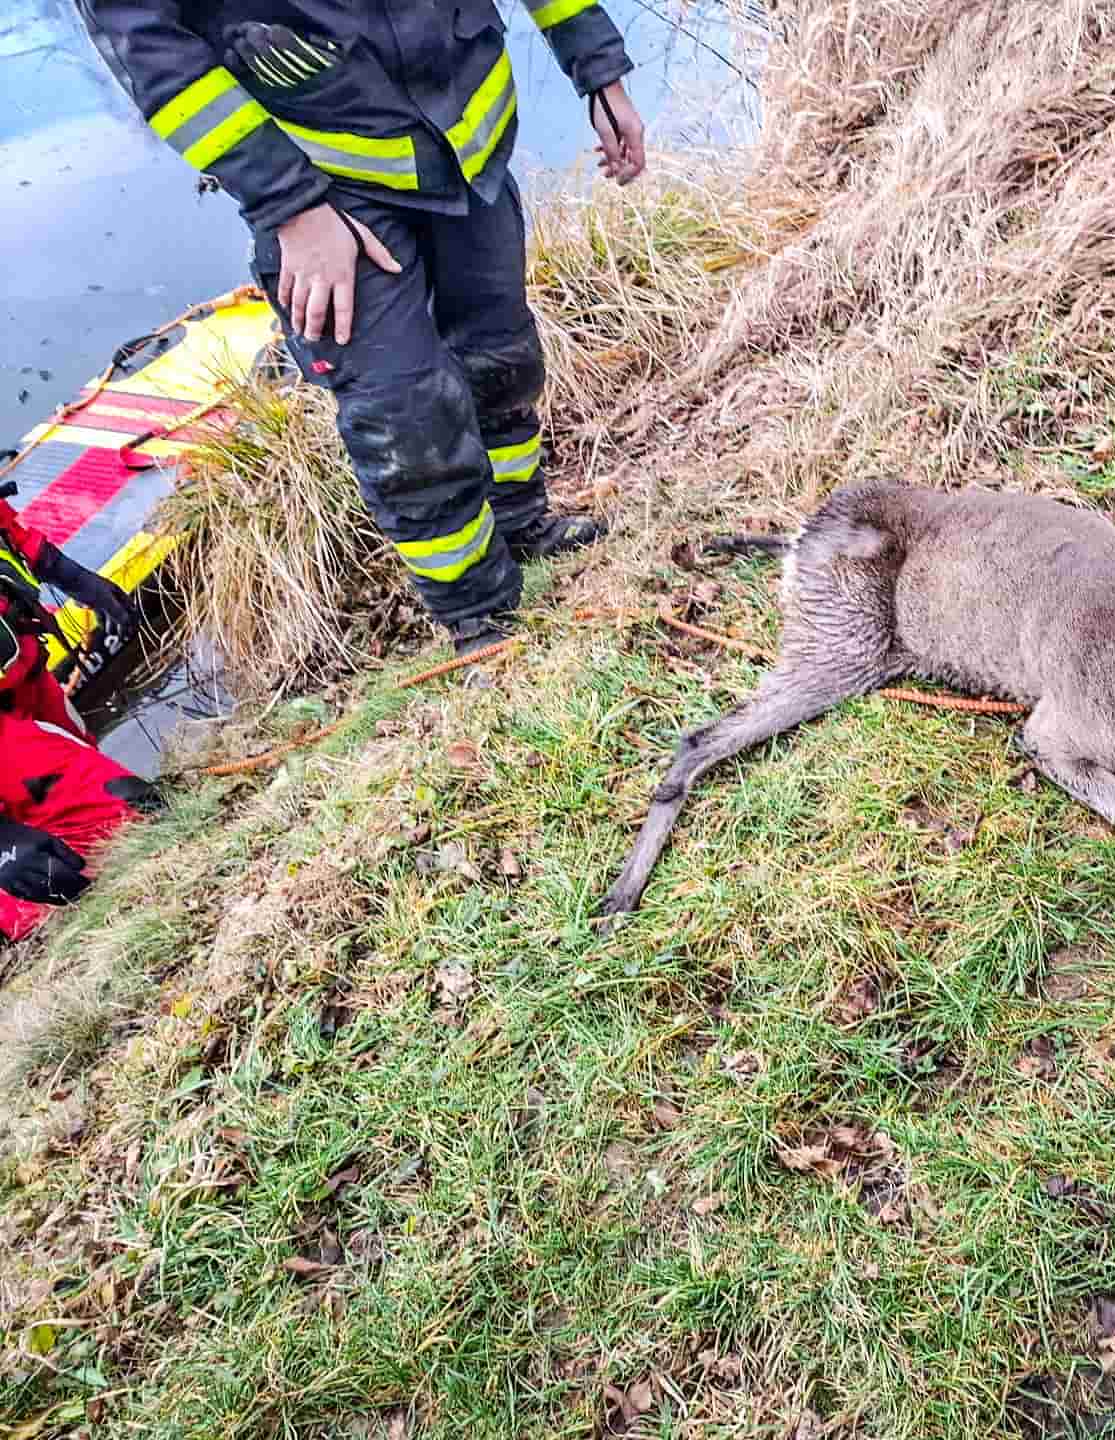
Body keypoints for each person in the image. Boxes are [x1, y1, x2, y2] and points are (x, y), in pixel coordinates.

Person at [78, 2, 650, 654]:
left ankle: (521, 524)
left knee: (502, 357)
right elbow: (147, 43)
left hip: (470, 134)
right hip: (325, 183)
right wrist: (291, 204)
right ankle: (479, 615)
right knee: (404, 416)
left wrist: (598, 70)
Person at [0, 491, 160, 943]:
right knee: (130, 814)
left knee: (110, 783)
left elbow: (10, 533)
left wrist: (73, 577)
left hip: (25, 675)